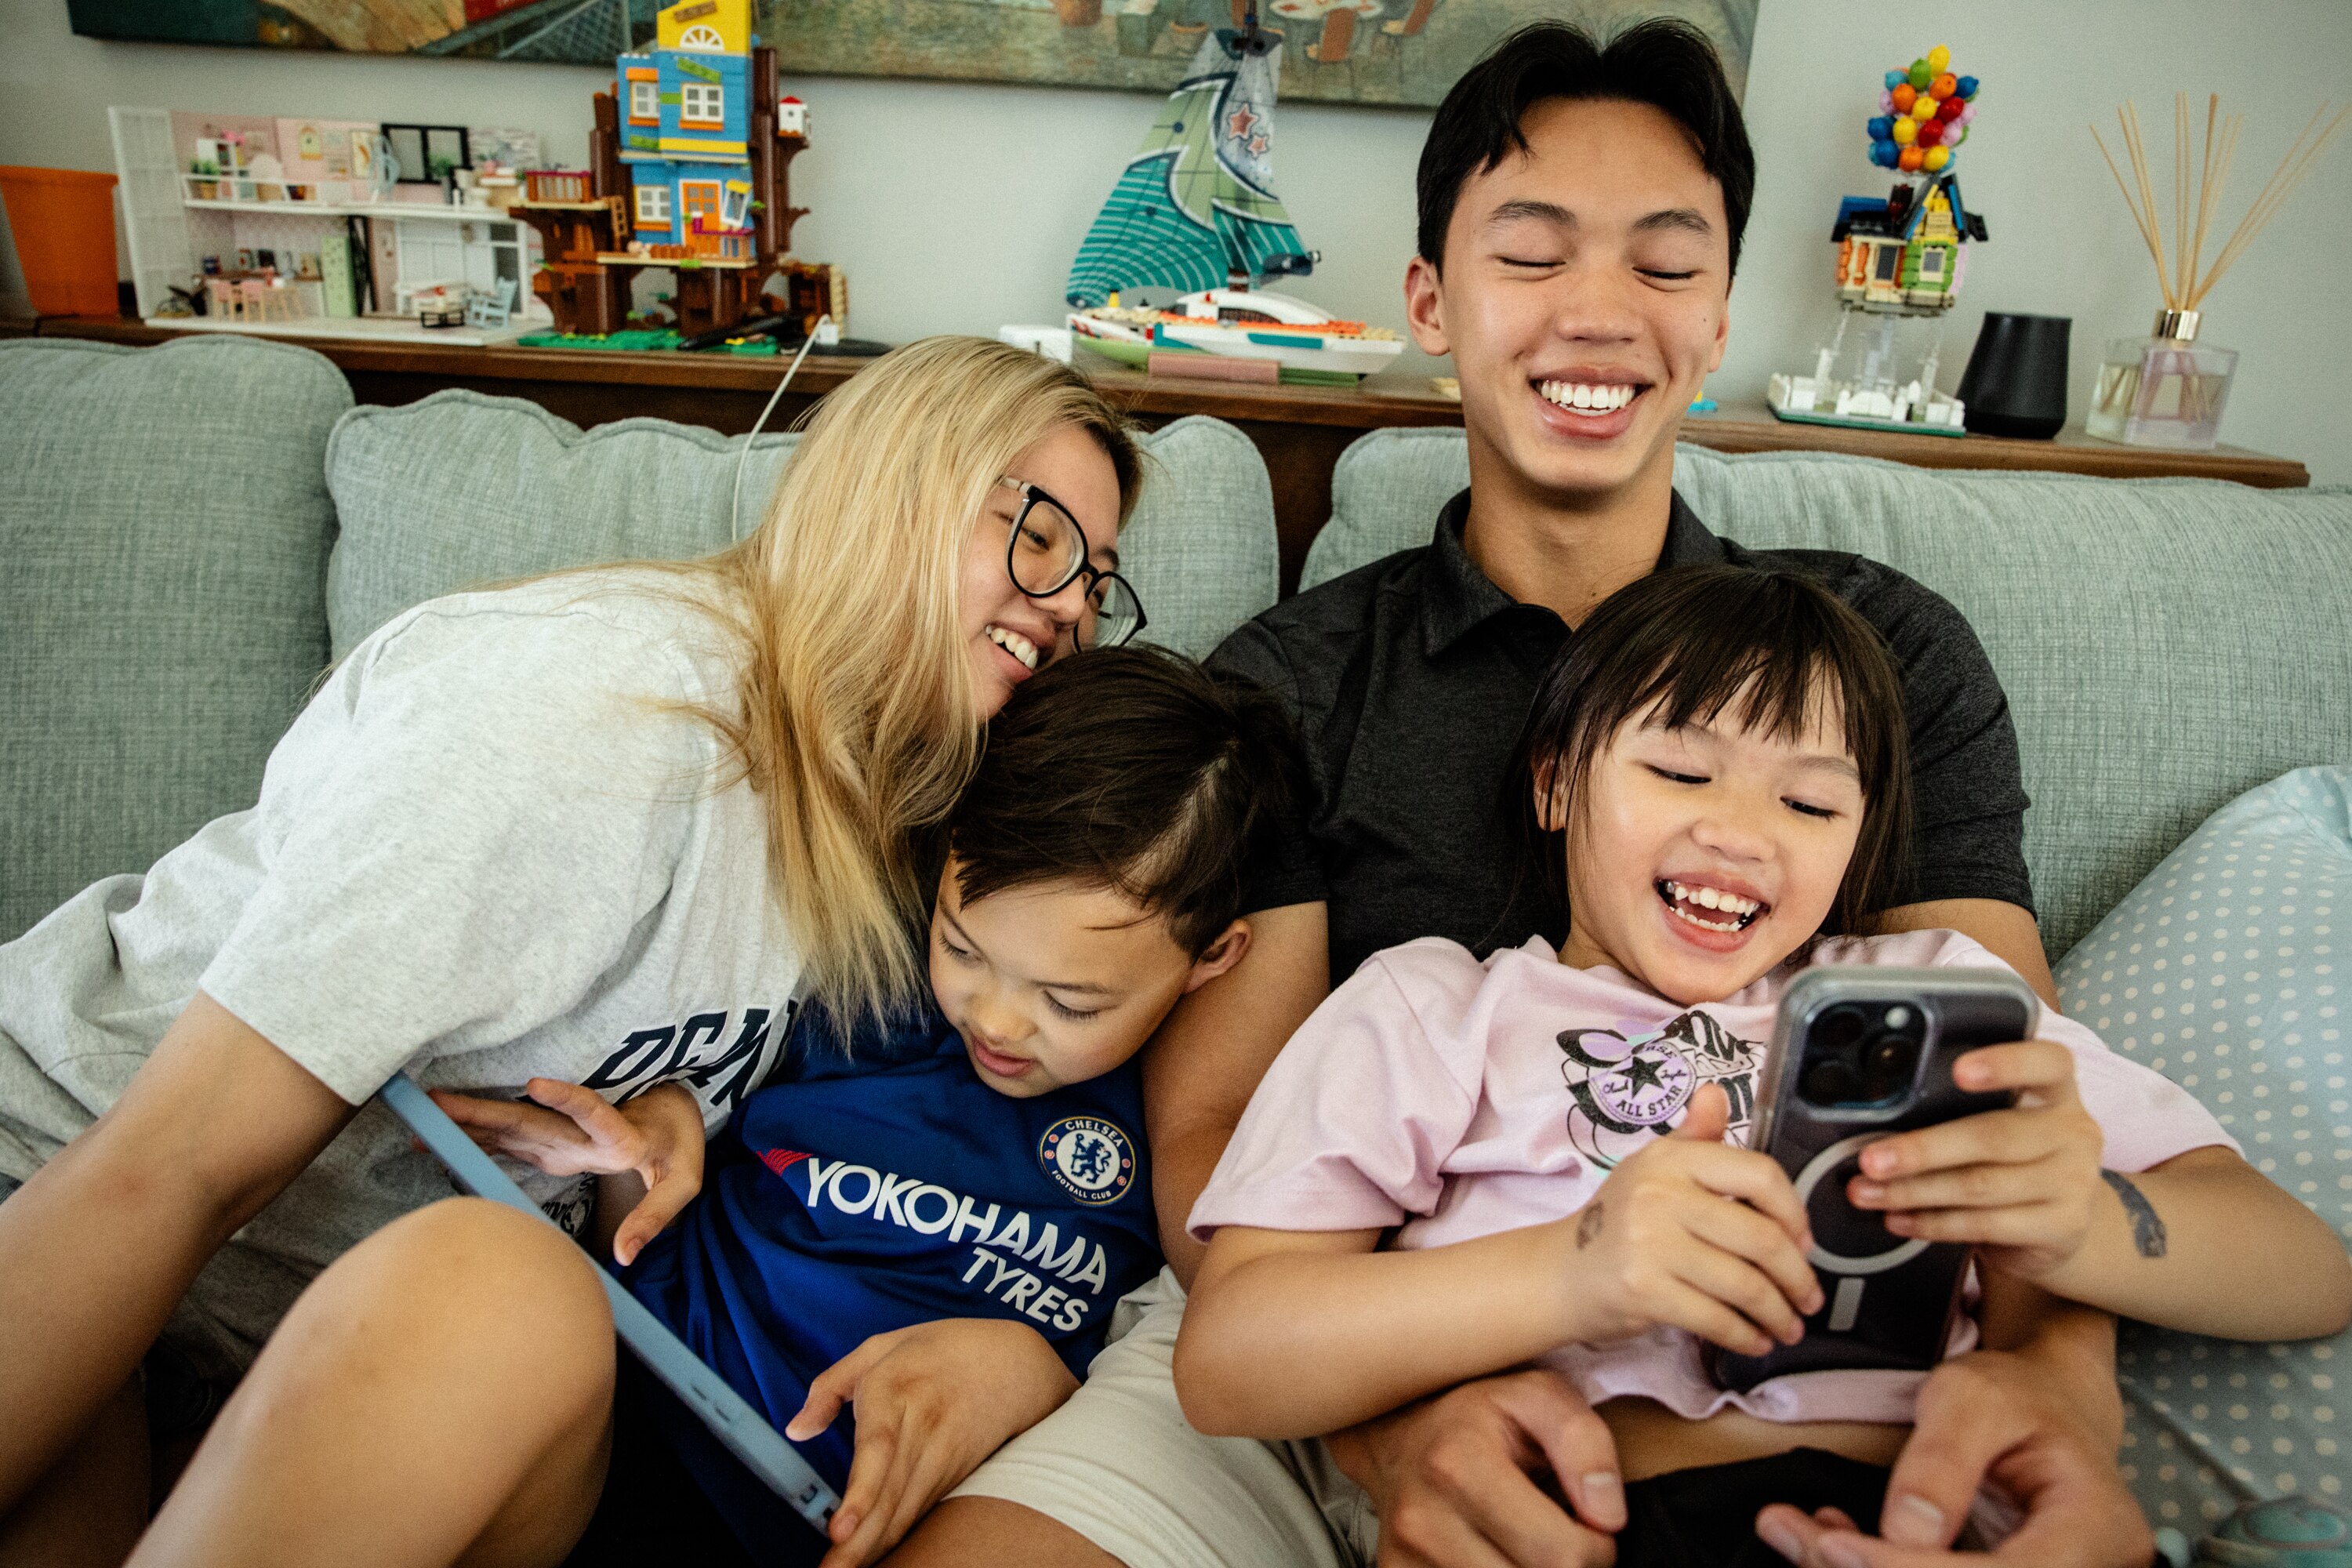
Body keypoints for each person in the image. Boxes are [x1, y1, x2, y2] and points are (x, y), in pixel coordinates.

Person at [888, 21, 2201, 1568]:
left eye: (1665, 264)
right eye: (1531, 254)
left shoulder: (1871, 655)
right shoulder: (1295, 682)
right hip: (1337, 1336)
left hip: (1789, 1390)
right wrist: (1393, 1427)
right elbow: (1225, 1153)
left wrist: (2054, 1387)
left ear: (1719, 313)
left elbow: (1998, 1108)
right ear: (1432, 304)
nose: (1599, 312)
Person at [0, 336, 1151, 1567]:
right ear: (891, 493)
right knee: (503, 1288)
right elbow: (169, 1163)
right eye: (1039, 538)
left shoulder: (889, 825)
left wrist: (674, 1117)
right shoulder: (607, 712)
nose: (1071, 606)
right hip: (72, 1210)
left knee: (520, 1305)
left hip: (294, 1343)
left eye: (1100, 583)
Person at [1171, 565, 2352, 1567]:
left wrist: (2084, 1223)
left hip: (1932, 1516)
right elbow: (1232, 1358)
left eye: (1809, 802)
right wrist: (1572, 1272)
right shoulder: (1435, 1008)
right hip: (1614, 1516)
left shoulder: (1938, 992)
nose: (1741, 832)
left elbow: (2308, 1271)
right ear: (1555, 780)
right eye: (1681, 773)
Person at [423, 646, 1302, 1568]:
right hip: (643, 1412)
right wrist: (660, 1126)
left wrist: (1044, 1379)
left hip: (877, 1528)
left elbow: (1145, 1387)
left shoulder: (1175, 1144)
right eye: (963, 948)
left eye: (1070, 1002)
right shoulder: (863, 998)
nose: (996, 1019)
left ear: (1213, 957)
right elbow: (647, 1231)